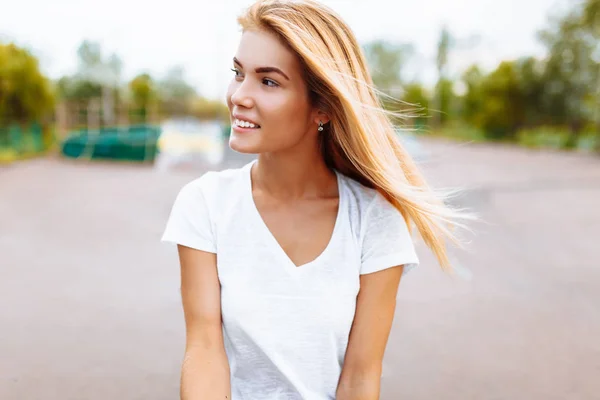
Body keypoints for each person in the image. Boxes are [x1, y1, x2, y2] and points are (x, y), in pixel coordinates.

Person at [161, 0, 473, 398]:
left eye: (268, 81)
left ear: (322, 108)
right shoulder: (204, 203)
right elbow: (204, 350)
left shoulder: (374, 218)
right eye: (238, 74)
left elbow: (360, 377)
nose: (239, 95)